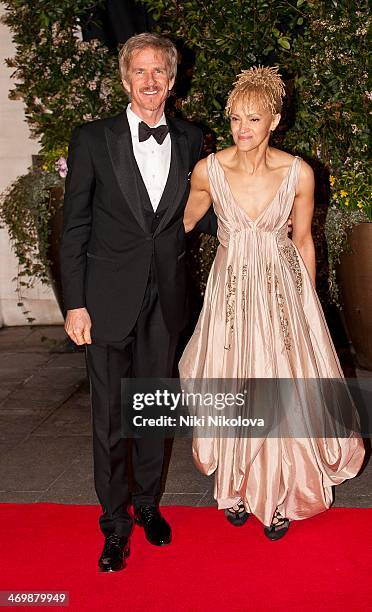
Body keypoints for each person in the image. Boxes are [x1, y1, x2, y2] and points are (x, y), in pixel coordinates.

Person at [179, 66, 365, 540]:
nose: (242, 128)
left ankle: (283, 495)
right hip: (232, 294)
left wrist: (309, 301)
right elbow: (174, 228)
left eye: (253, 119)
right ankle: (238, 487)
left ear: (274, 121)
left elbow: (303, 240)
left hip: (282, 293)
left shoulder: (298, 172)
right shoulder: (208, 170)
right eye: (236, 118)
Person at [60, 32, 215, 572]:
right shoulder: (92, 139)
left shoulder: (194, 138)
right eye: (139, 72)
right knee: (109, 419)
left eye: (159, 73)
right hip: (104, 301)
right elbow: (74, 226)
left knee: (151, 411)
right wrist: (74, 302)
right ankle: (114, 524)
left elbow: (203, 215)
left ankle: (148, 506)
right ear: (126, 80)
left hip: (165, 299)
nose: (150, 82)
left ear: (172, 81)